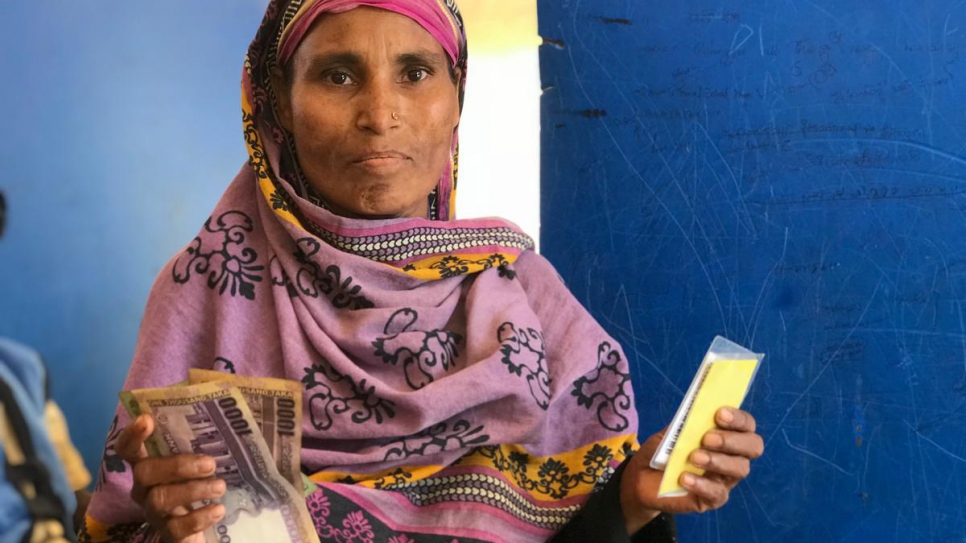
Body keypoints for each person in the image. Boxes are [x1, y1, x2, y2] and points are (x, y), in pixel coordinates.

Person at [80, 1, 765, 541]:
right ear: (277, 108)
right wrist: (170, 531)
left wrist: (631, 500)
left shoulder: (523, 297)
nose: (381, 115)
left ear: (456, 102)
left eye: (415, 72)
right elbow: (126, 525)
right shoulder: (204, 290)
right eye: (337, 74)